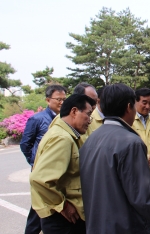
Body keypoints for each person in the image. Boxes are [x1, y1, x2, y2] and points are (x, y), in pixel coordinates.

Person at [79, 83, 150, 233]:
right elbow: (143, 197)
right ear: (129, 107)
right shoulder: (130, 142)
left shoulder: (91, 139)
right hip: (125, 226)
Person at [29, 94, 96, 234]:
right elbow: (40, 179)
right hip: (62, 218)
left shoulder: (66, 134)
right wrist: (63, 205)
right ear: (74, 111)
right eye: (88, 114)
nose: (90, 121)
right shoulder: (62, 138)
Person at [20, 84, 67, 234]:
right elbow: (25, 144)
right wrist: (34, 162)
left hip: (58, 172)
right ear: (48, 100)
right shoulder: (37, 119)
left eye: (64, 99)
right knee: (39, 209)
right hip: (41, 172)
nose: (61, 102)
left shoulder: (65, 118)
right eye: (58, 99)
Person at [49, 82, 98, 147]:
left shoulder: (87, 119)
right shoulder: (62, 121)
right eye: (89, 101)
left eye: (95, 103)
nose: (93, 106)